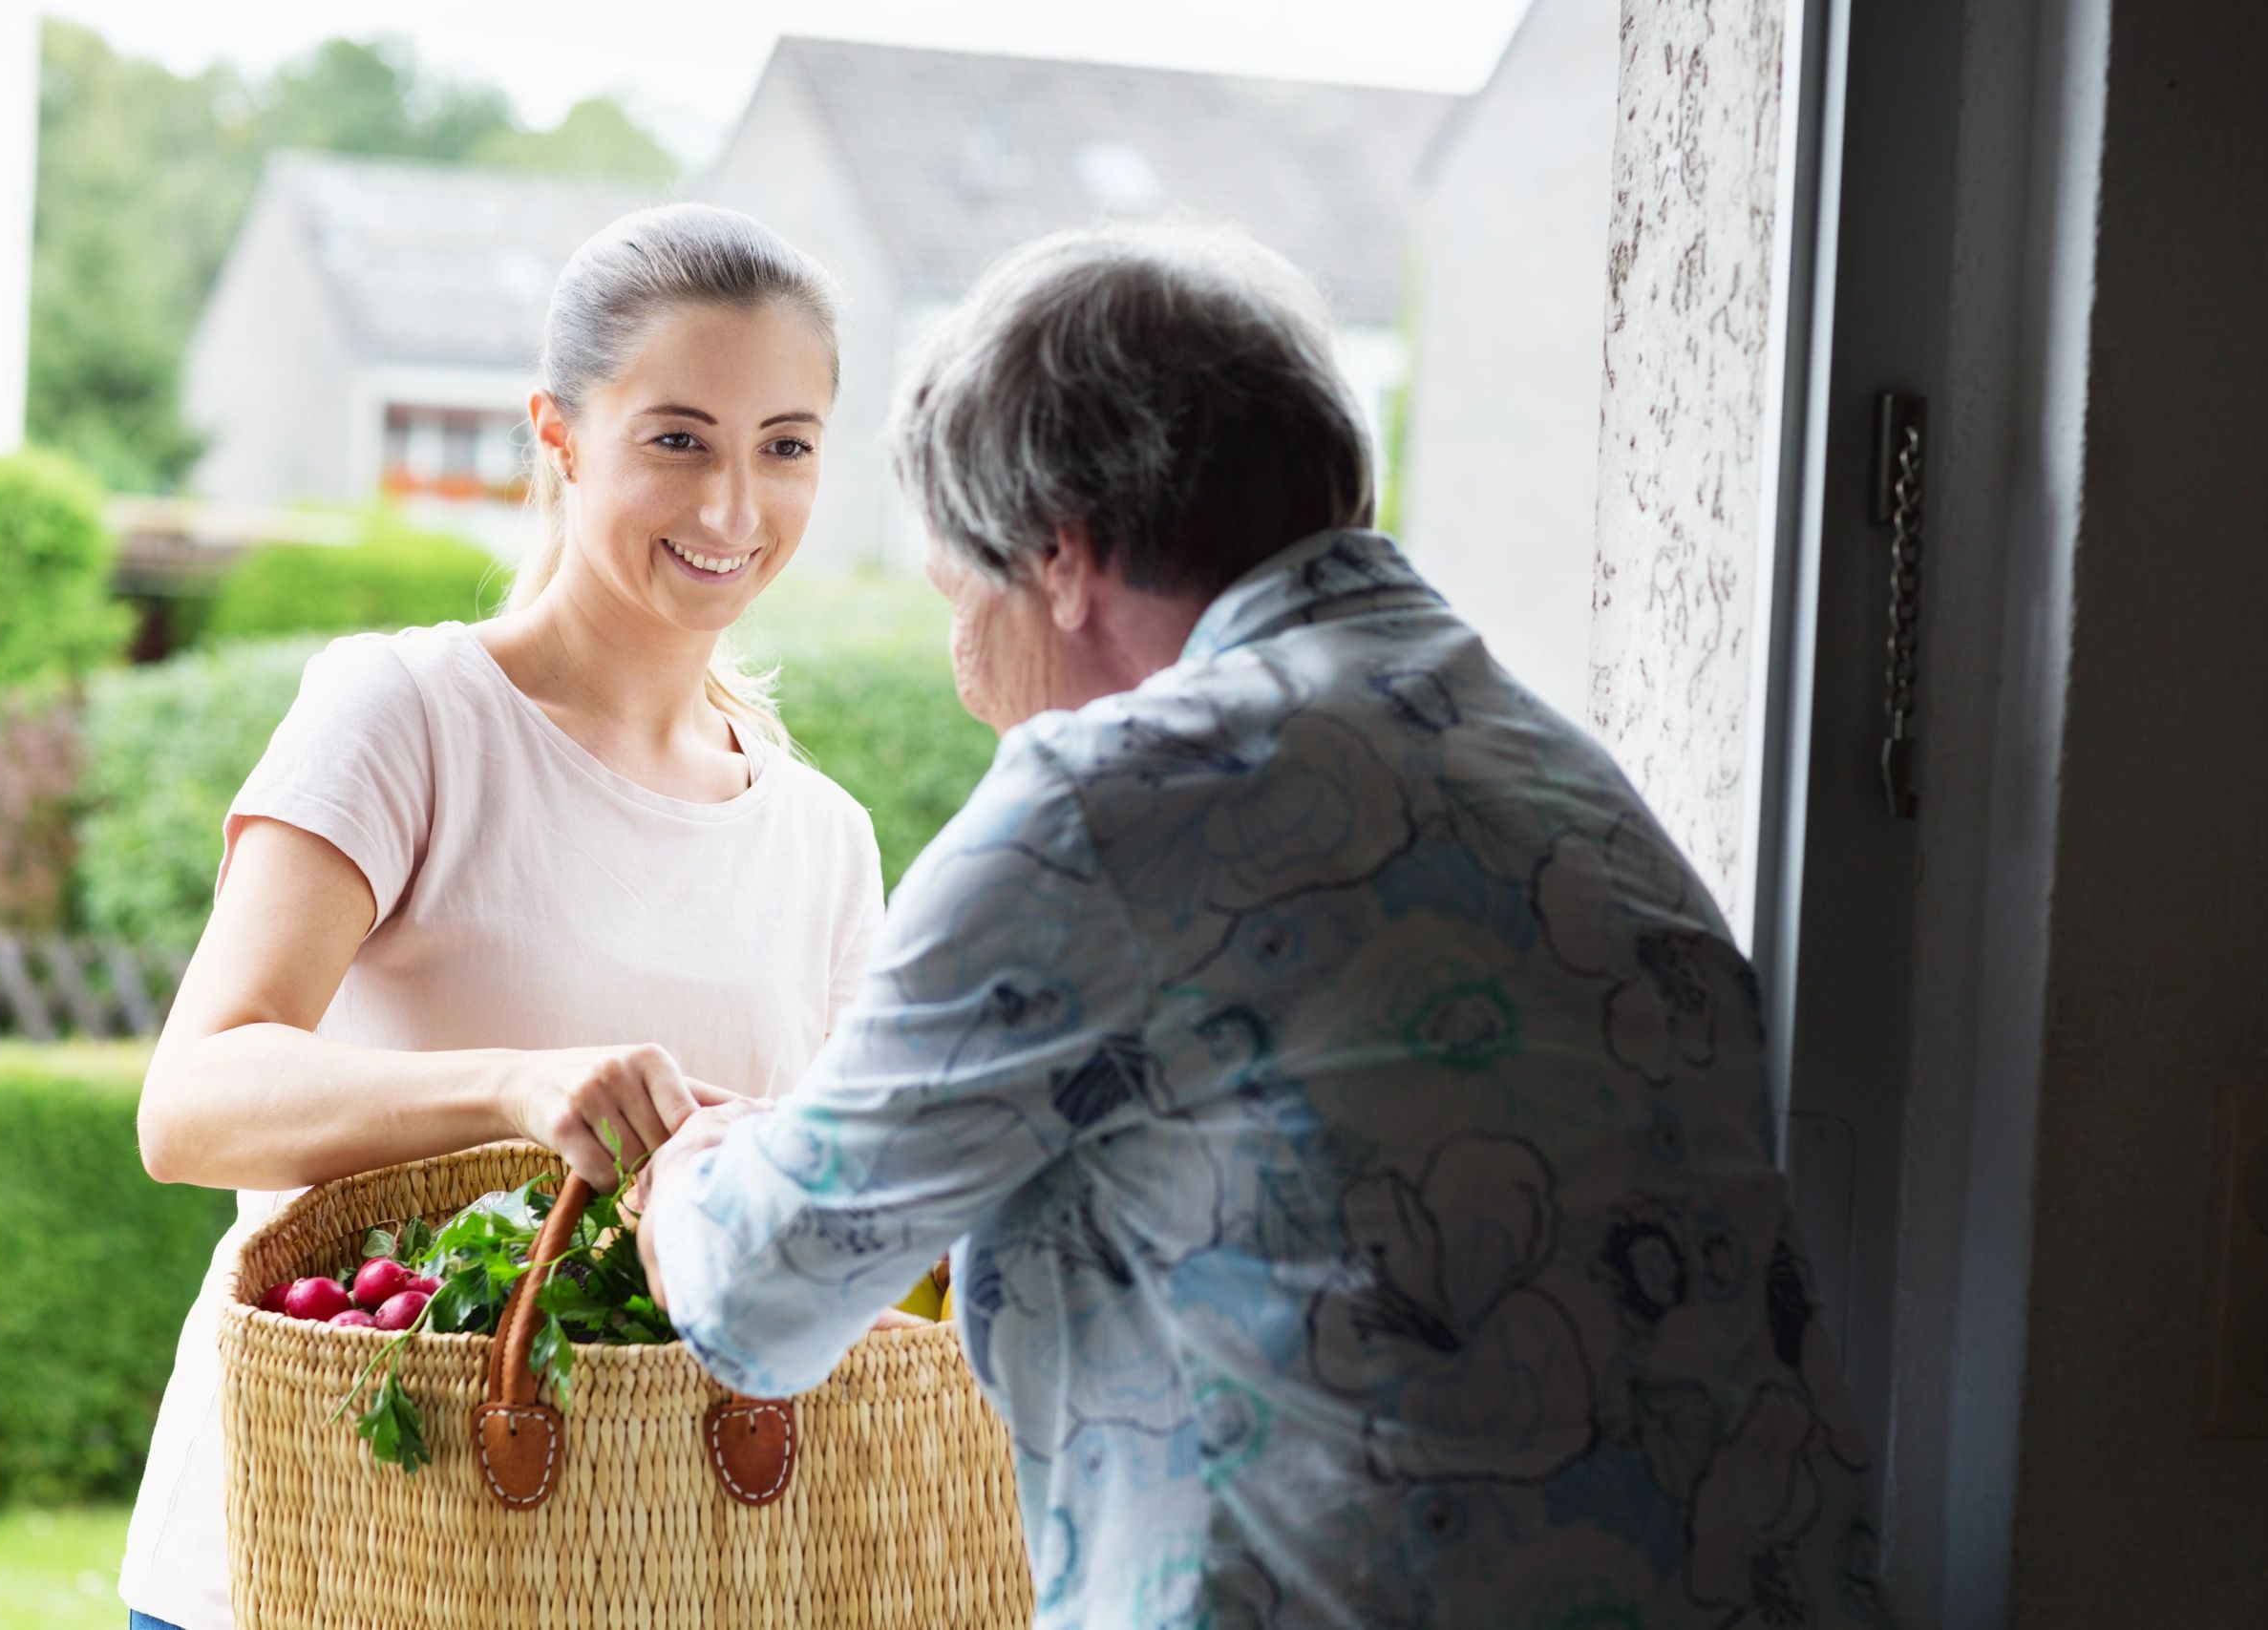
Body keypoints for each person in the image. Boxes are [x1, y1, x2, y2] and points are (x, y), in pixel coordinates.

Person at [634, 224, 1893, 1628]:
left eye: (957, 599)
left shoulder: (1102, 809)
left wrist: (694, 1169)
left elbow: (762, 1297)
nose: (965, 681)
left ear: (1060, 555)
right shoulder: (1559, 774)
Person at [117, 204, 892, 1630]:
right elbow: (194, 1103)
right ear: (558, 435)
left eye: (784, 445)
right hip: (318, 1559)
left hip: (640, 1579)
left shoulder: (826, 841)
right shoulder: (409, 715)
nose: (732, 507)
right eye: (678, 438)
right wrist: (522, 1090)